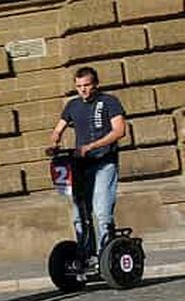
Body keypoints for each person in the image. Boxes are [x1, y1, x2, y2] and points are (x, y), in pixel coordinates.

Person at [50, 66, 126, 268]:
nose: (82, 90)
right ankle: (87, 255)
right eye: (78, 86)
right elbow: (58, 128)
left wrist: (91, 146)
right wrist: (55, 140)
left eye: (86, 85)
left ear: (95, 84)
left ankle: (106, 256)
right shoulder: (72, 106)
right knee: (79, 215)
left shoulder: (109, 102)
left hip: (104, 163)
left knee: (101, 212)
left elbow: (119, 131)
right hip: (81, 166)